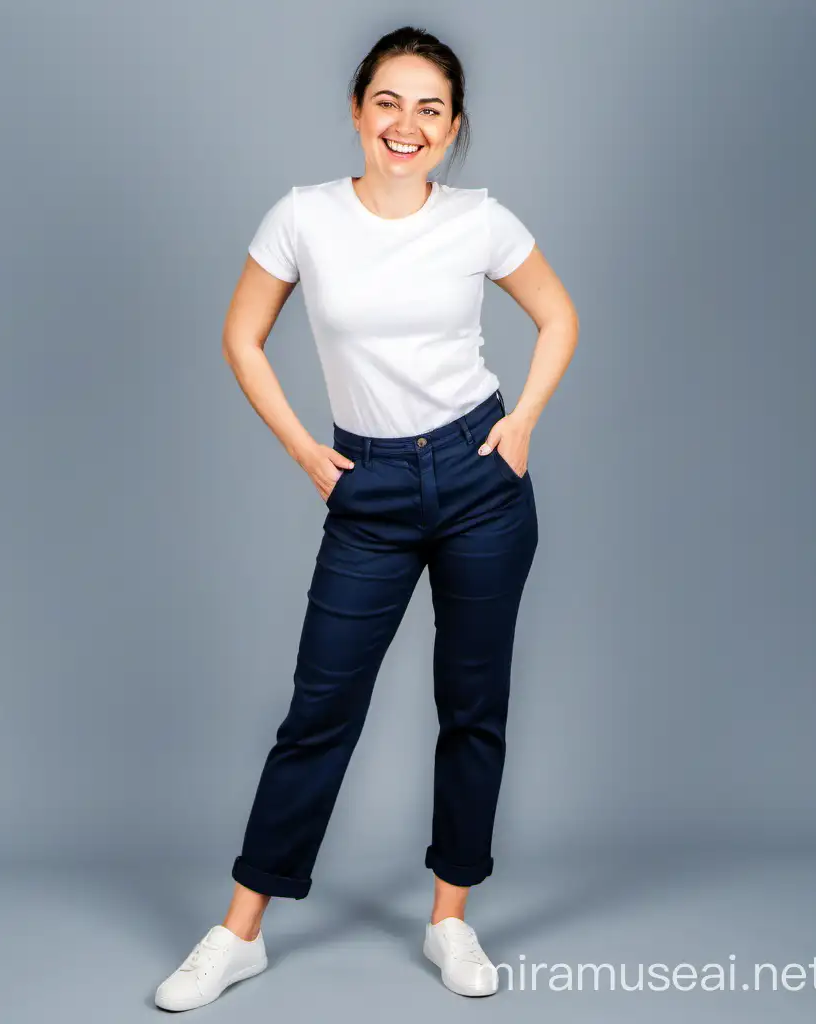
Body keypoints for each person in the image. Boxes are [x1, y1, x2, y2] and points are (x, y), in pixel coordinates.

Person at [155, 25, 579, 1011]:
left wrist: (522, 422)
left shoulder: (478, 219)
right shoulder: (303, 216)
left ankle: (449, 920)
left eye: (430, 108)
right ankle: (238, 932)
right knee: (319, 711)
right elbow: (241, 334)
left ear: (453, 127)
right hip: (370, 492)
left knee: (471, 707)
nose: (407, 123)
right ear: (357, 111)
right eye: (389, 101)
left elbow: (557, 315)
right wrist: (308, 451)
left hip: (480, 481)